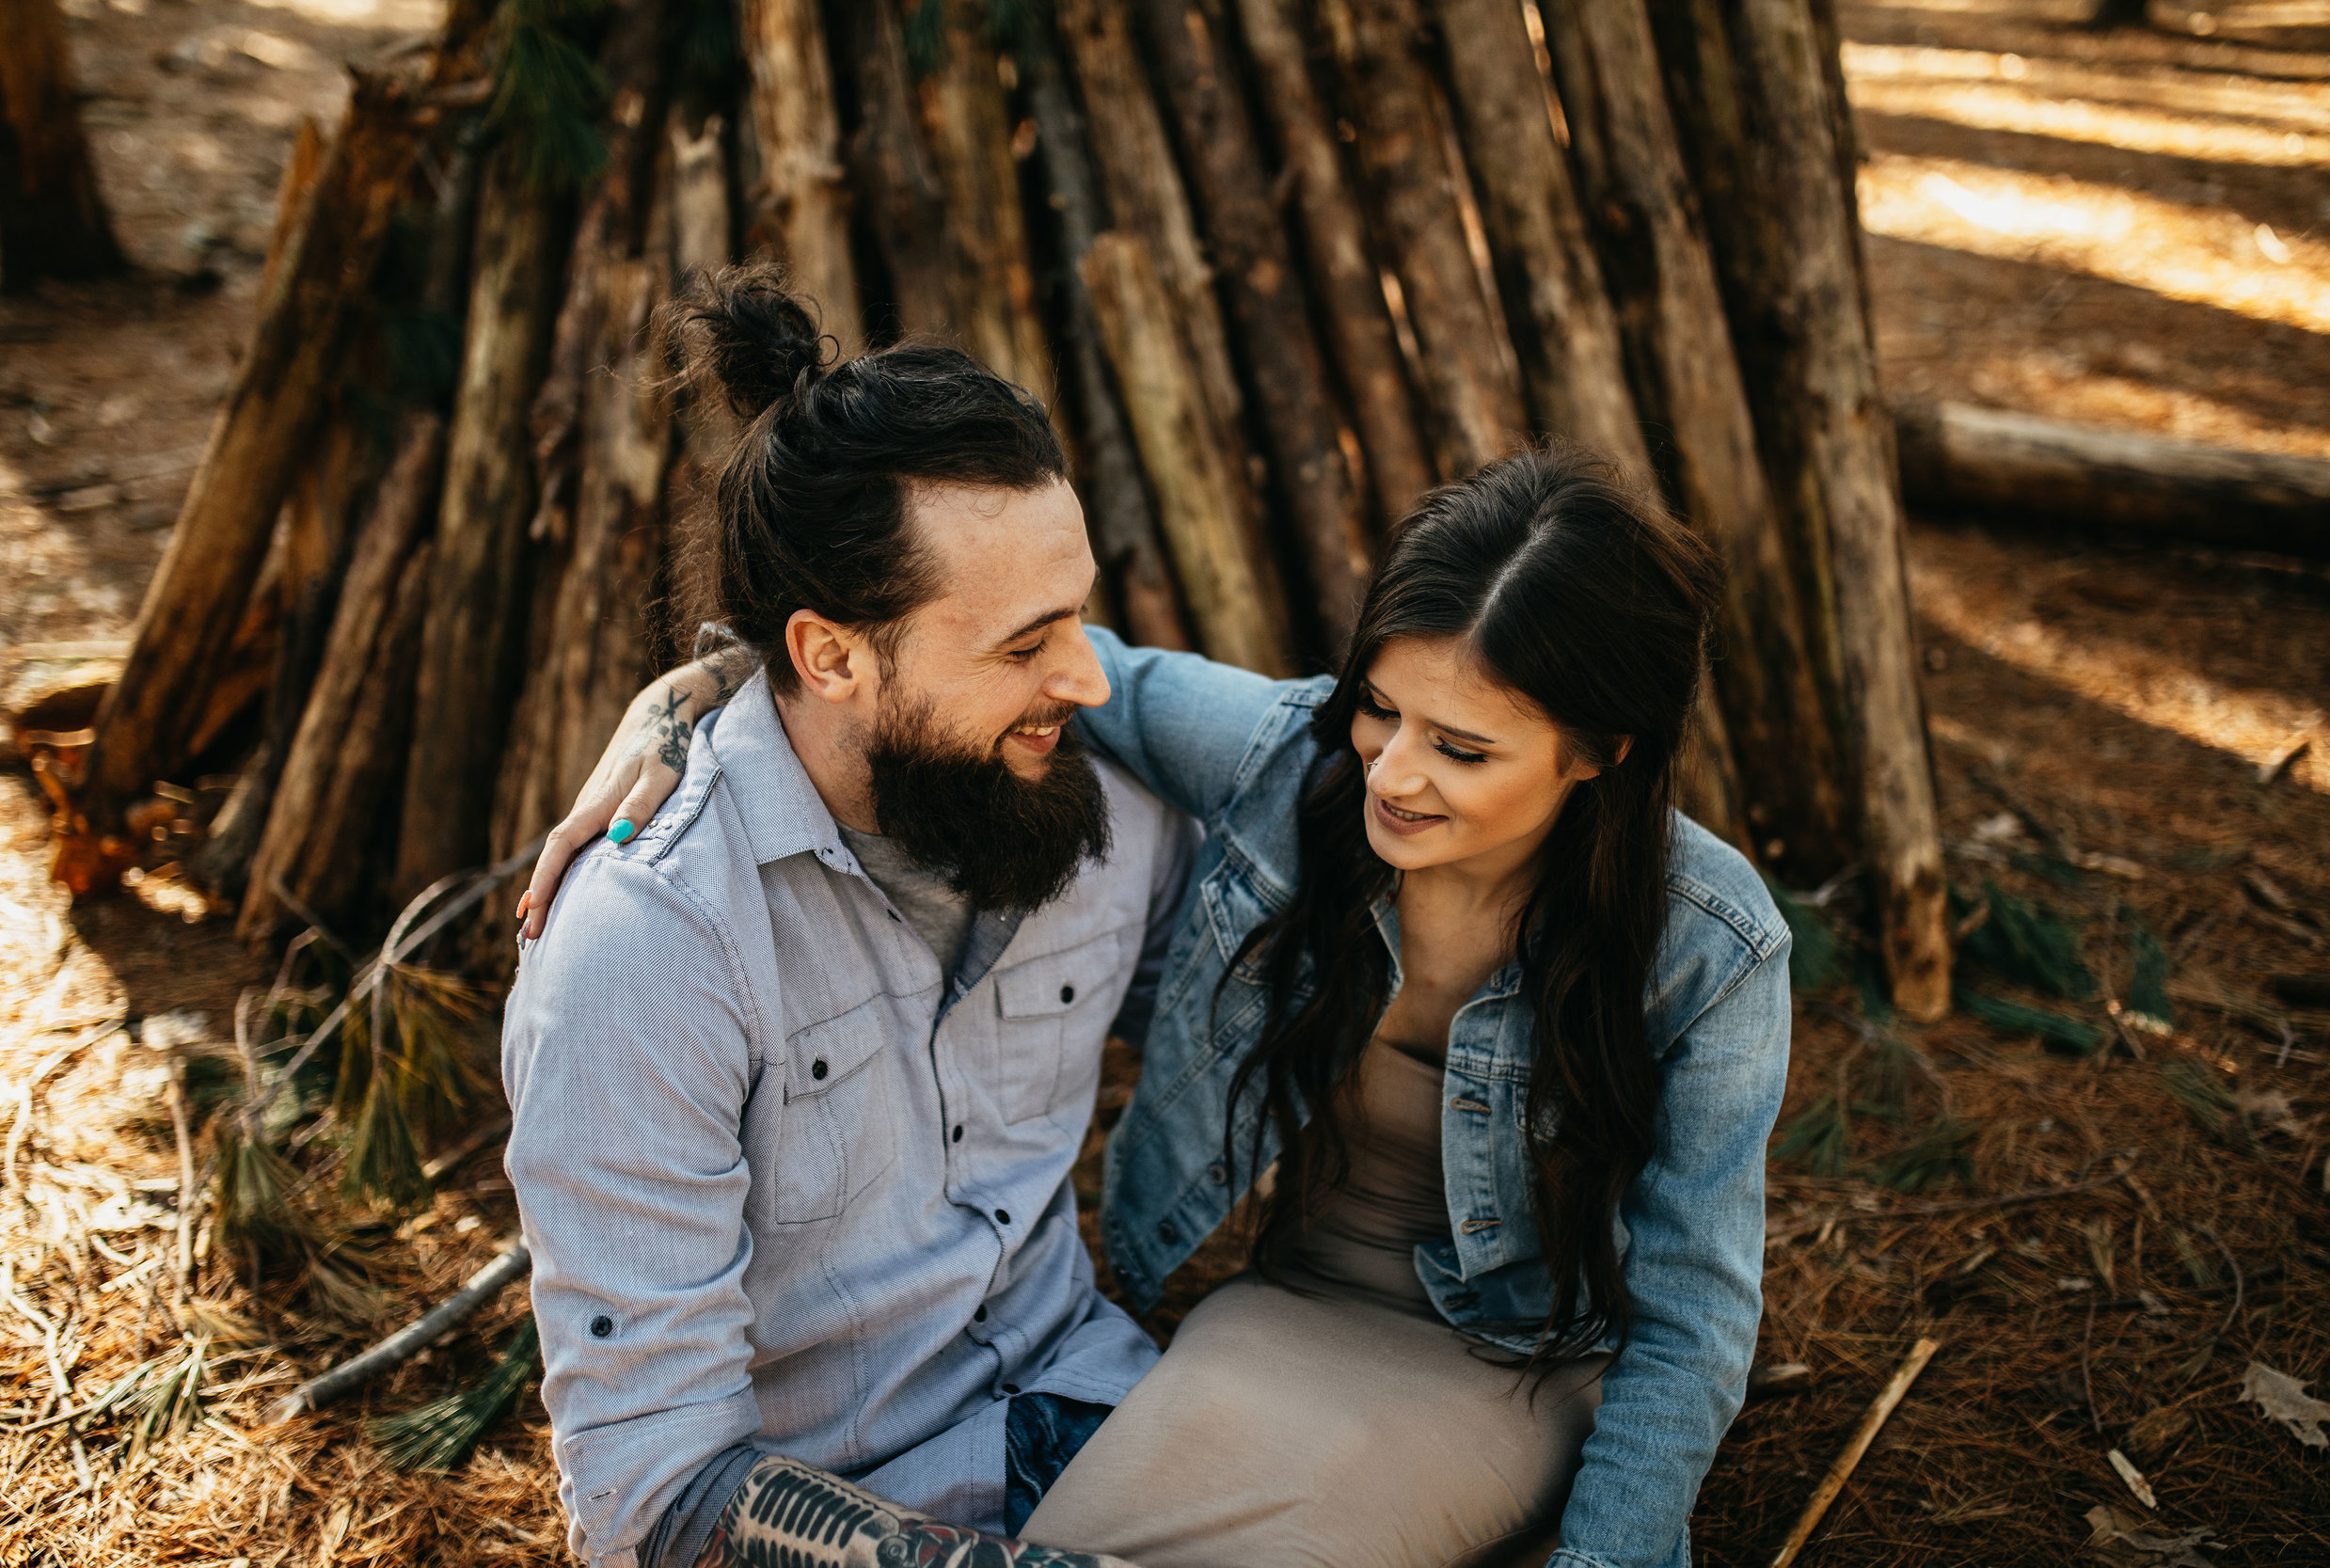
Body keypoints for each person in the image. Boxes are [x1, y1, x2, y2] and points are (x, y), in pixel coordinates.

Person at [543, 435, 1793, 1565]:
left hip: (1515, 1359)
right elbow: (989, 667)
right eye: (1382, 709)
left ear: (1599, 751)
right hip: (1280, 1316)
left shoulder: (1708, 946)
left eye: (1462, 748)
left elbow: (1693, 1308)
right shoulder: (1290, 758)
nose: (1394, 775)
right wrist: (693, 698)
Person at [500, 263, 1198, 1568]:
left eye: (1081, 615)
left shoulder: (1087, 806)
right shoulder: (652, 949)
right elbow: (660, 1498)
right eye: (1023, 643)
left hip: (1118, 1412)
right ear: (829, 655)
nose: (1089, 677)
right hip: (852, 1519)